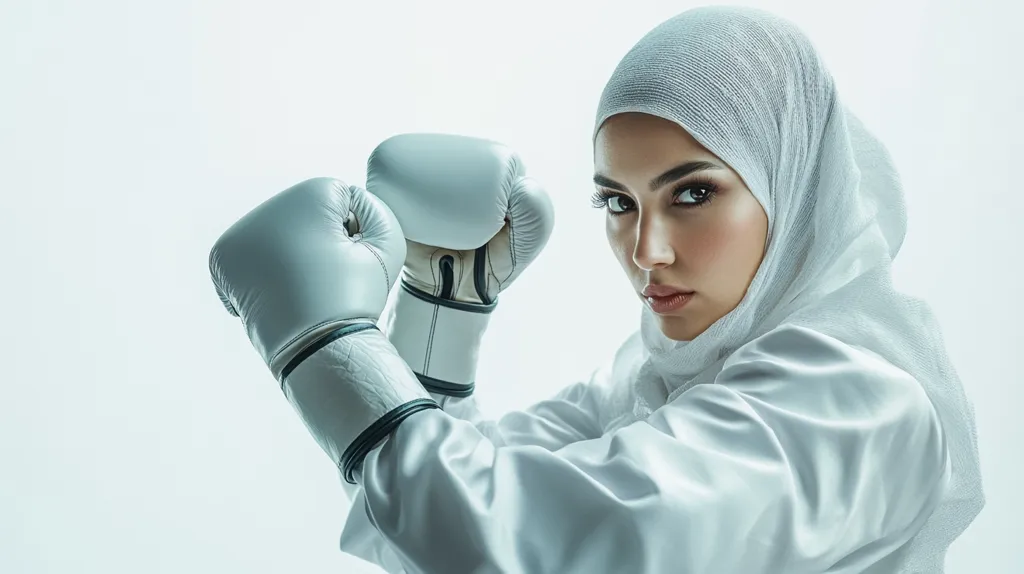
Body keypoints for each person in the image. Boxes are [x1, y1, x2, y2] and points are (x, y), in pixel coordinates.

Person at [209, 5, 984, 573]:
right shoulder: (656, 384)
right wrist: (442, 308)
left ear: (791, 185)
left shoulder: (857, 402)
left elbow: (529, 547)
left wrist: (327, 348)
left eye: (691, 194)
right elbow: (429, 521)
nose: (645, 251)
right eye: (618, 202)